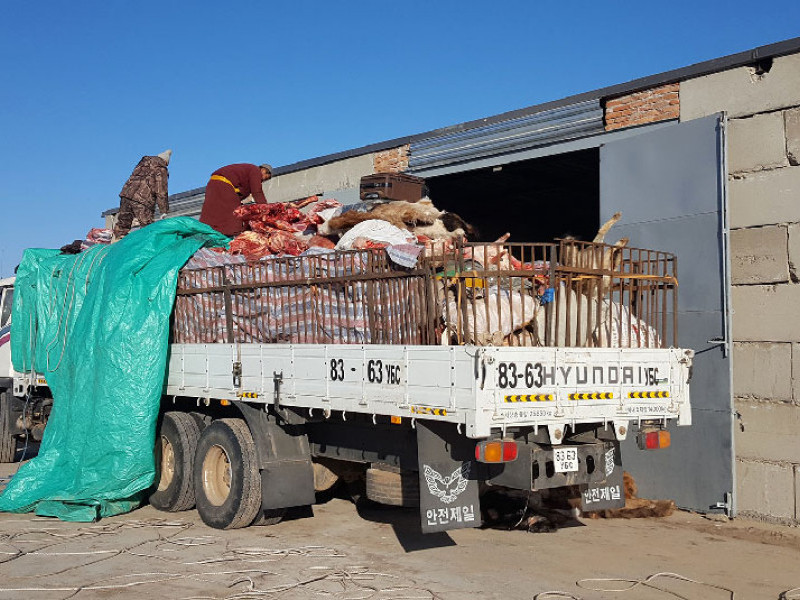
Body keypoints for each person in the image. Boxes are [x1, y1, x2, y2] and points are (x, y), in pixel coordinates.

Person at [199, 163, 272, 236]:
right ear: (262, 169)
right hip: (223, 185)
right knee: (235, 215)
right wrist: (266, 209)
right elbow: (257, 192)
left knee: (213, 213)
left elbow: (241, 194)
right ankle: (232, 238)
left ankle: (206, 233)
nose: (264, 178)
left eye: (266, 178)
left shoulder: (247, 174)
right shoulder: (255, 170)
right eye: (265, 174)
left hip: (213, 185)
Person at [114, 149, 171, 239]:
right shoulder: (161, 169)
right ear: (166, 161)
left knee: (123, 224)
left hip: (126, 194)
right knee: (147, 228)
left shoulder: (143, 163)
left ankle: (117, 244)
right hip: (142, 199)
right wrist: (164, 211)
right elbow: (161, 191)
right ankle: (146, 249)